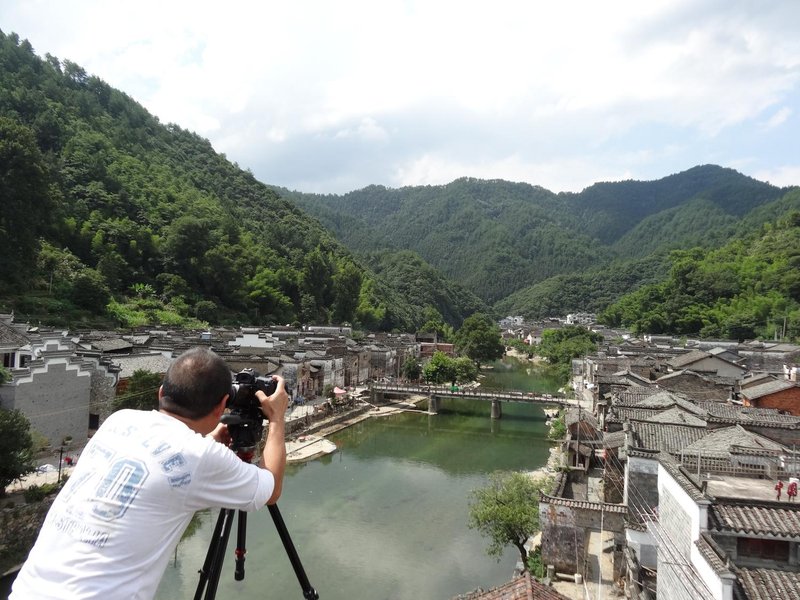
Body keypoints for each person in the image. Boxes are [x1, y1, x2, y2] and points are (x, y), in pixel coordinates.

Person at [11, 346, 288, 600]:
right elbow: (271, 490)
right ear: (221, 406)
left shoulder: (119, 420)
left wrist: (209, 441)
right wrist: (276, 419)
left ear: (161, 392)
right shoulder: (201, 457)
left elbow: (168, 457)